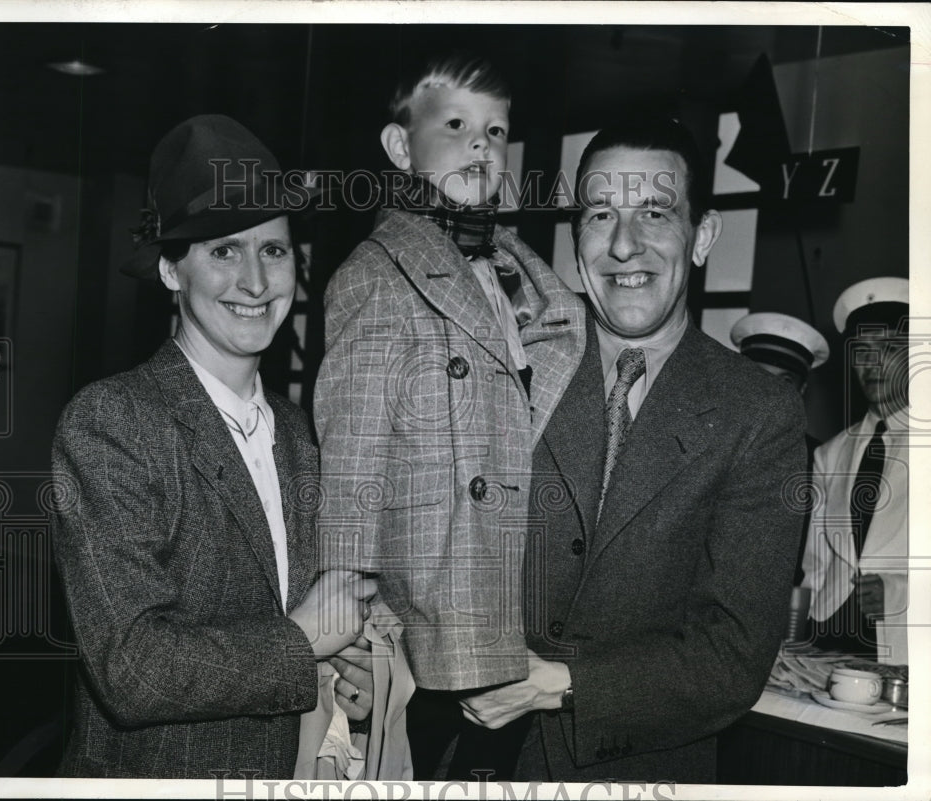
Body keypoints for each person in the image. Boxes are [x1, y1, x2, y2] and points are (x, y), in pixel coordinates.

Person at [459, 115, 807, 783]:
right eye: (600, 215)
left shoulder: (757, 413)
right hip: (465, 759)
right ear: (576, 239)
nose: (624, 245)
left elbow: (732, 658)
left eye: (655, 212)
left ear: (702, 236)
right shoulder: (505, 364)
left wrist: (561, 685)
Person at [50, 115, 377, 778]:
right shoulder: (113, 421)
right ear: (171, 270)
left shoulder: (301, 433)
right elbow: (132, 667)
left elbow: (308, 625)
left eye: (274, 250)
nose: (255, 282)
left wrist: (350, 679)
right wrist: (304, 640)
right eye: (224, 251)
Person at [311, 54, 587, 775]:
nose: (480, 145)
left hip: (514, 601)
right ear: (400, 147)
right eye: (457, 125)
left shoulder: (520, 275)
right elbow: (352, 462)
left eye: (496, 131)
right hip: (424, 612)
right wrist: (349, 626)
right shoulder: (377, 275)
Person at [800, 277, 909, 664]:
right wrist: (799, 639)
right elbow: (816, 564)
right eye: (862, 351)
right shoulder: (831, 454)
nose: (872, 364)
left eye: (889, 348)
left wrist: (900, 592)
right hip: (829, 636)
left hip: (906, 641)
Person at [731, 311, 829, 584]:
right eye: (758, 377)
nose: (770, 393)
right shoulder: (701, 448)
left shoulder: (822, 462)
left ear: (802, 389)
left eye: (784, 382)